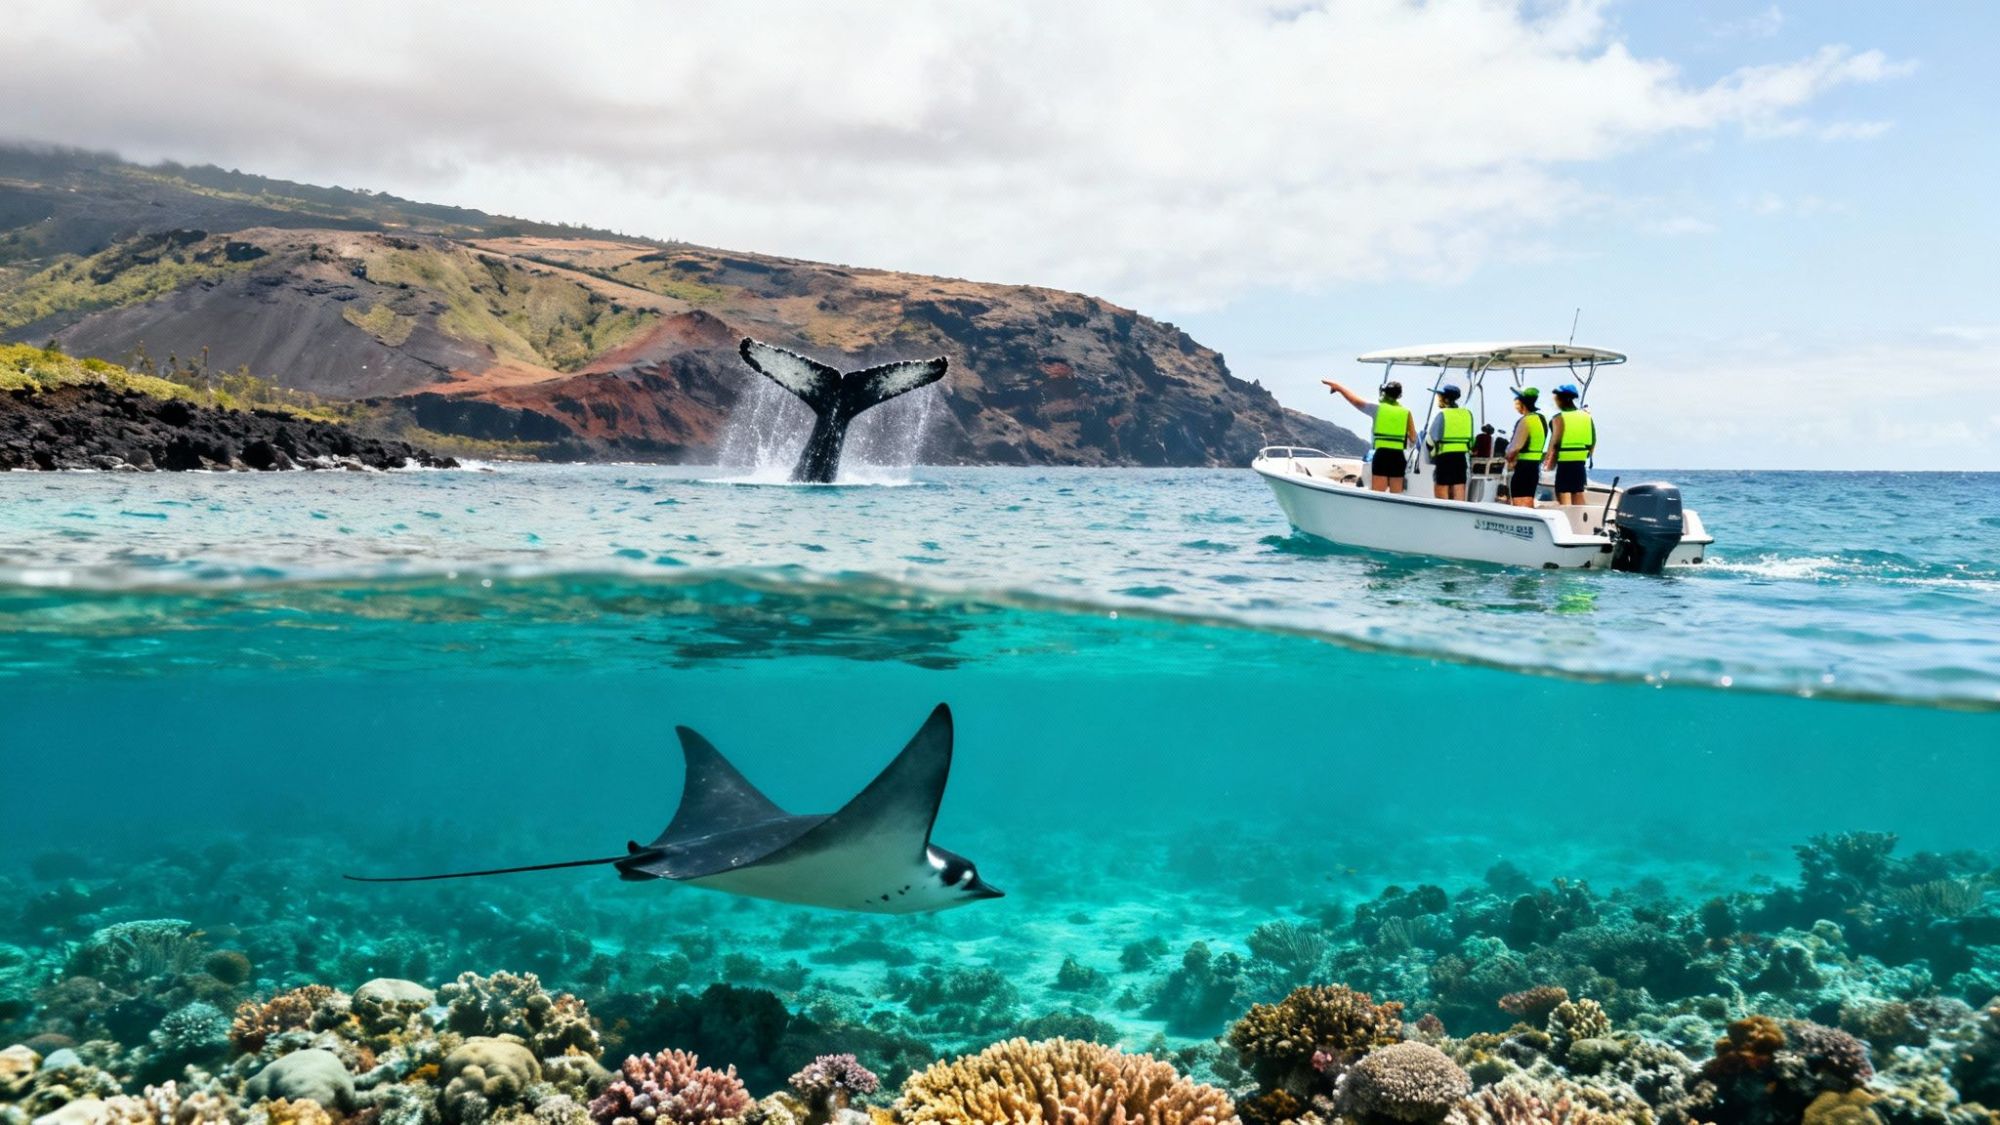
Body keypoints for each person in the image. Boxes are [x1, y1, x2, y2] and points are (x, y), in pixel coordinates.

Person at [1322, 378, 1416, 493]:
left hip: (1382, 455)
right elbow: (1413, 438)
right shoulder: (1406, 412)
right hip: (1398, 457)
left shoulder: (1377, 408)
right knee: (1396, 497)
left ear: (1384, 392)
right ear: (1399, 395)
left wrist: (1338, 387)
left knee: (1378, 495)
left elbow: (1355, 401)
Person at [1542, 383, 1595, 506]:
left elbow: (1554, 444)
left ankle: (1567, 518)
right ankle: (1579, 522)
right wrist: (1586, 456)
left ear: (1562, 399)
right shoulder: (1587, 417)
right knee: (1578, 491)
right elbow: (1593, 441)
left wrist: (1547, 463)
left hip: (1564, 461)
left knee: (1562, 491)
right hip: (1580, 461)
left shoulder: (1557, 418)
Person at [1425, 385, 1473, 501]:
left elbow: (1430, 441)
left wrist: (1432, 457)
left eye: (1439, 397)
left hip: (1444, 459)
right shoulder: (1467, 414)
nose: (1438, 399)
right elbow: (1471, 441)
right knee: (1458, 491)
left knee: (1441, 495)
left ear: (1446, 400)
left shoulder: (1442, 414)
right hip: (1461, 459)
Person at [1502, 386, 1546, 508]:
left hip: (1523, 467)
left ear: (1523, 404)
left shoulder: (1525, 421)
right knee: (1529, 499)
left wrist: (1508, 456)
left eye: (1517, 403)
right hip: (1534, 467)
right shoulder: (1541, 419)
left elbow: (1515, 447)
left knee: (1519, 500)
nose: (1516, 406)